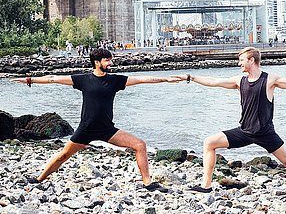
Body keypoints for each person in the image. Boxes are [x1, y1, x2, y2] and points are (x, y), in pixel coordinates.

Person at [12, 47, 180, 192]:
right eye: (107, 60)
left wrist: (166, 79)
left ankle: (148, 183)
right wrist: (29, 80)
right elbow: (52, 78)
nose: (110, 63)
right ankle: (39, 179)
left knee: (140, 145)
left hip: (107, 129)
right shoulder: (83, 80)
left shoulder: (115, 80)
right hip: (86, 129)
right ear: (97, 62)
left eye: (110, 60)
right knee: (63, 156)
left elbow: (142, 79)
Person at [179, 47, 286, 198]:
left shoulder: (270, 80)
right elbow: (214, 82)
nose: (239, 63)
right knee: (209, 142)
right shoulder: (239, 81)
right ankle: (206, 186)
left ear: (251, 60)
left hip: (265, 133)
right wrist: (191, 77)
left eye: (242, 60)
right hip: (245, 131)